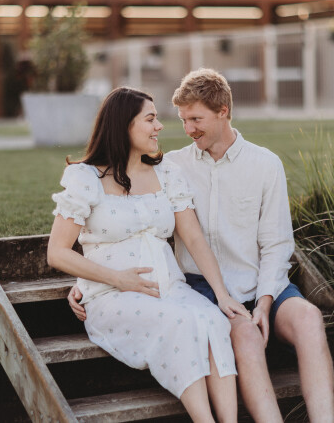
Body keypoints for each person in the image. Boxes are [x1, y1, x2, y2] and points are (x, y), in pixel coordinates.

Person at [68, 69, 334, 422]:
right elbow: (124, 219)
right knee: (245, 335)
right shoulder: (170, 166)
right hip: (204, 288)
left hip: (261, 283)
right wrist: (90, 280)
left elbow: (276, 244)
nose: (188, 129)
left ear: (223, 111)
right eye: (183, 120)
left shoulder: (265, 164)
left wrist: (265, 302)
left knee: (310, 319)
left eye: (196, 119)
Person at [47, 86, 251, 423]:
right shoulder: (86, 178)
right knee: (180, 323)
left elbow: (194, 238)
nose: (159, 126)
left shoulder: (166, 172)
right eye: (151, 119)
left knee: (214, 320)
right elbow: (56, 252)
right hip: (112, 296)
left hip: (170, 289)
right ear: (124, 124)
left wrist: (222, 294)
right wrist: (116, 279)